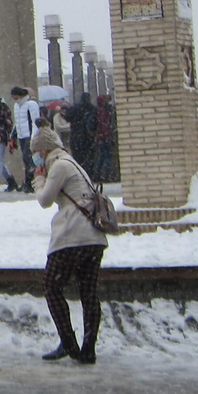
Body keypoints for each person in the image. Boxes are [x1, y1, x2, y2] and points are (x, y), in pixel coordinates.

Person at [33, 126, 107, 364]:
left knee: (51, 286)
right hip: (93, 239)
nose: (35, 156)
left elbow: (45, 200)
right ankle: (88, 347)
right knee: (88, 292)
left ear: (44, 150)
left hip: (73, 237)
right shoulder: (73, 164)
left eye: (36, 152)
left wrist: (39, 180)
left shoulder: (60, 166)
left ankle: (68, 342)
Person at [10, 86, 40, 192]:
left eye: (16, 97)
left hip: (29, 135)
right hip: (21, 136)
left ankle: (33, 182)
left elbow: (35, 121)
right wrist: (13, 136)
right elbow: (17, 122)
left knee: (29, 159)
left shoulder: (31, 104)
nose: (15, 99)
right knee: (25, 160)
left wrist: (33, 137)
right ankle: (28, 182)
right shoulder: (16, 106)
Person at [68, 93, 98, 174]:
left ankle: (80, 174)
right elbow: (95, 122)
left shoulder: (75, 108)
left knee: (77, 158)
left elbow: (67, 117)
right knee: (89, 158)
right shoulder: (92, 108)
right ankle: (89, 174)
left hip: (75, 136)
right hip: (88, 137)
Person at [92, 95, 118, 182]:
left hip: (101, 138)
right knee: (107, 157)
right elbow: (105, 125)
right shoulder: (105, 111)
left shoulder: (99, 111)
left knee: (102, 156)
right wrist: (108, 135)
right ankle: (107, 175)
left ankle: (98, 174)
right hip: (105, 138)